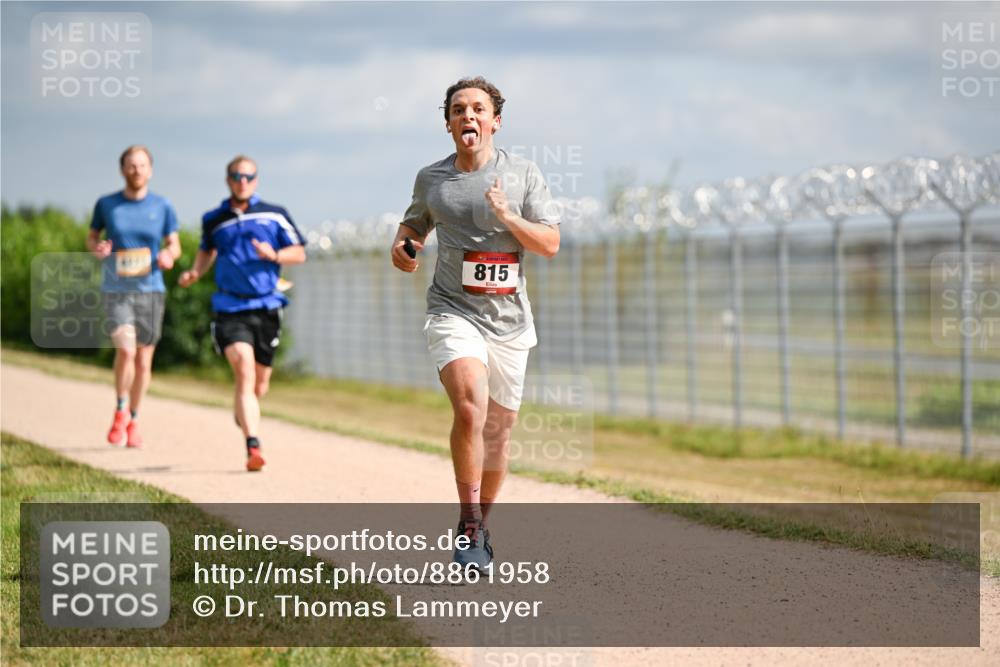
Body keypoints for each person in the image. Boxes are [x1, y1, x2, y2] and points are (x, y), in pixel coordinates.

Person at [390, 77, 560, 568]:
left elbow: (548, 244)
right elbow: (411, 229)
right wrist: (403, 250)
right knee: (470, 409)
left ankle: (480, 528)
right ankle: (468, 521)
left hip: (509, 321)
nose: (469, 116)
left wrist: (508, 217)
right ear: (448, 124)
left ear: (495, 121)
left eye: (478, 108)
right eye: (459, 109)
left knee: (499, 434)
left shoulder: (524, 174)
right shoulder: (432, 179)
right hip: (452, 309)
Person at [178, 155, 306, 472]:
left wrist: (274, 254)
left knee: (259, 385)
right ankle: (253, 446)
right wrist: (195, 271)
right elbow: (206, 251)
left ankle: (244, 410)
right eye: (236, 176)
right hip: (230, 307)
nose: (242, 181)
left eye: (248, 176)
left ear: (256, 180)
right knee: (244, 371)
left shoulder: (274, 215)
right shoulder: (214, 218)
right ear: (228, 180)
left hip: (266, 307)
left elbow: (299, 252)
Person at [87, 145, 181, 448]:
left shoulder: (163, 206)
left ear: (150, 170)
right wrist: (98, 248)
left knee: (143, 361)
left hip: (151, 289)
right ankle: (119, 409)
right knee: (126, 350)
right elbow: (93, 238)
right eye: (131, 165)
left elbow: (174, 245)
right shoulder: (107, 204)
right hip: (117, 288)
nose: (136, 170)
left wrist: (169, 255)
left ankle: (135, 419)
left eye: (141, 165)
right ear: (122, 169)